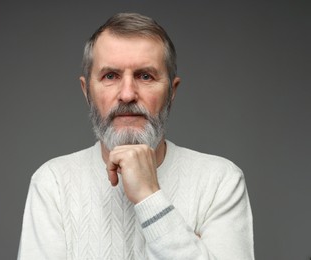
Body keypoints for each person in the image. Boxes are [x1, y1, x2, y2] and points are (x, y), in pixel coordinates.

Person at [17, 13, 254, 260]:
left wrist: (149, 197)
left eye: (145, 76)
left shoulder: (221, 181)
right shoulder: (53, 183)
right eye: (110, 76)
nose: (128, 94)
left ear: (171, 92)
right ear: (86, 91)